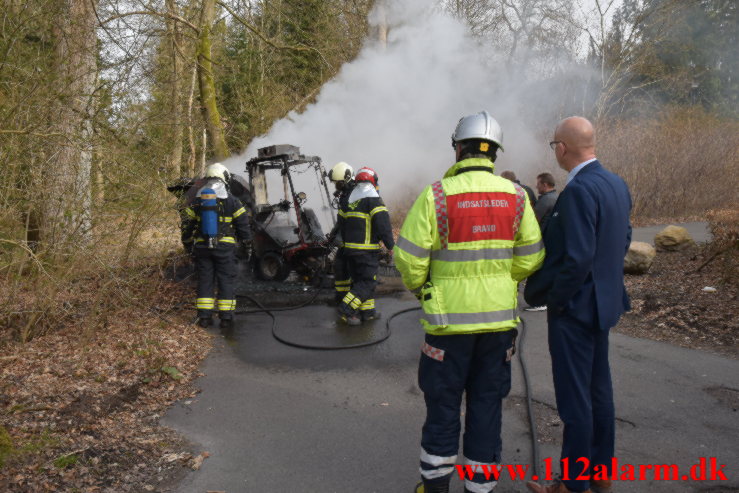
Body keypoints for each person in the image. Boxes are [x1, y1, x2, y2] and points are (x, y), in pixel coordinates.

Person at [394, 110, 544, 493]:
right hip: (498, 329)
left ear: (458, 148)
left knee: (443, 407)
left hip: (447, 328)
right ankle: (479, 489)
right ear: (494, 152)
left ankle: (436, 486)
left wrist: (425, 289)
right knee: (487, 406)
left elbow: (409, 259)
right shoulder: (516, 196)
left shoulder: (436, 196)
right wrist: (501, 282)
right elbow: (531, 255)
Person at [524, 117, 632, 493]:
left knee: (575, 401)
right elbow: (623, 239)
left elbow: (577, 258)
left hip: (575, 311)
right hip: (603, 306)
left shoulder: (580, 191)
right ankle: (600, 473)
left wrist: (556, 299)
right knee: (599, 392)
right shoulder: (616, 184)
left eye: (554, 144)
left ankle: (571, 485)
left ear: (562, 148)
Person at [181, 163, 252, 330]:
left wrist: (188, 243)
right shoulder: (232, 201)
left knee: (205, 280)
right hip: (225, 248)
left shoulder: (197, 200)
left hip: (202, 247)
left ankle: (204, 318)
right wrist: (247, 244)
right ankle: (226, 318)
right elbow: (243, 225)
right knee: (225, 280)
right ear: (224, 177)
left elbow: (187, 225)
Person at [336, 166, 394, 325]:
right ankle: (345, 309)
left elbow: (341, 224)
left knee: (359, 282)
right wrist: (391, 246)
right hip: (366, 252)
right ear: (373, 182)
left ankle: (368, 313)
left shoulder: (348, 200)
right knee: (368, 283)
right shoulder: (373, 200)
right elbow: (383, 225)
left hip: (350, 251)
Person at [524, 172, 560, 312]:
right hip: (551, 242)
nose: (536, 186)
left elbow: (532, 222)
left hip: (542, 242)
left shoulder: (546, 200)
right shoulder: (556, 198)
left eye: (538, 183)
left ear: (545, 185)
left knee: (538, 272)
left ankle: (539, 301)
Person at [326, 162, 356, 303]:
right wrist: (334, 234)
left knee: (353, 271)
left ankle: (352, 303)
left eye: (338, 183)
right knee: (340, 266)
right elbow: (341, 219)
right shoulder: (346, 194)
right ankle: (340, 298)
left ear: (346, 180)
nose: (336, 186)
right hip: (345, 239)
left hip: (353, 240)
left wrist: (339, 238)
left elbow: (351, 221)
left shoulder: (355, 196)